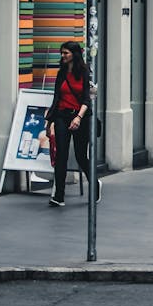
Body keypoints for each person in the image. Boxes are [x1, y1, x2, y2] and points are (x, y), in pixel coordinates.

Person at [45, 41, 91, 207]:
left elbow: (86, 99)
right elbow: (56, 98)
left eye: (66, 53)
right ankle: (59, 196)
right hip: (62, 117)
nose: (62, 56)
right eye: (62, 53)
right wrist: (49, 122)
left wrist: (78, 117)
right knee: (61, 156)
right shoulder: (61, 73)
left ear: (74, 54)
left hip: (80, 118)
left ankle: (94, 184)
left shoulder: (84, 73)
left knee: (80, 155)